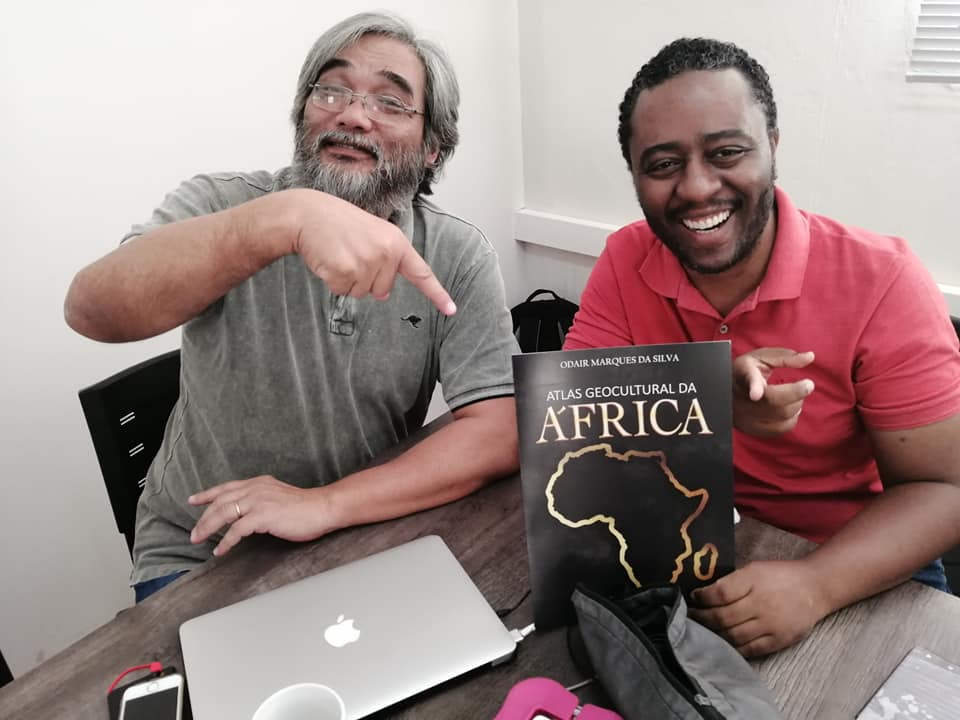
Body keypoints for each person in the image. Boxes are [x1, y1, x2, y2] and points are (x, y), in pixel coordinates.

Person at [64, 11, 519, 602]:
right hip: (201, 551)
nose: (352, 115)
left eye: (389, 102)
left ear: (433, 148)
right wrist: (285, 219)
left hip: (362, 529)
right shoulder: (223, 203)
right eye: (331, 90)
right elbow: (91, 309)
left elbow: (498, 430)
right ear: (303, 114)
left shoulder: (455, 253)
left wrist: (322, 505)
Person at [564, 37, 960, 657]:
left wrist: (816, 584)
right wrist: (707, 402)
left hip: (852, 561)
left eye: (726, 152)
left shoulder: (884, 279)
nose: (697, 188)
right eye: (663, 164)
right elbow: (574, 429)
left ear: (772, 145)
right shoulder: (624, 257)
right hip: (685, 544)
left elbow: (945, 488)